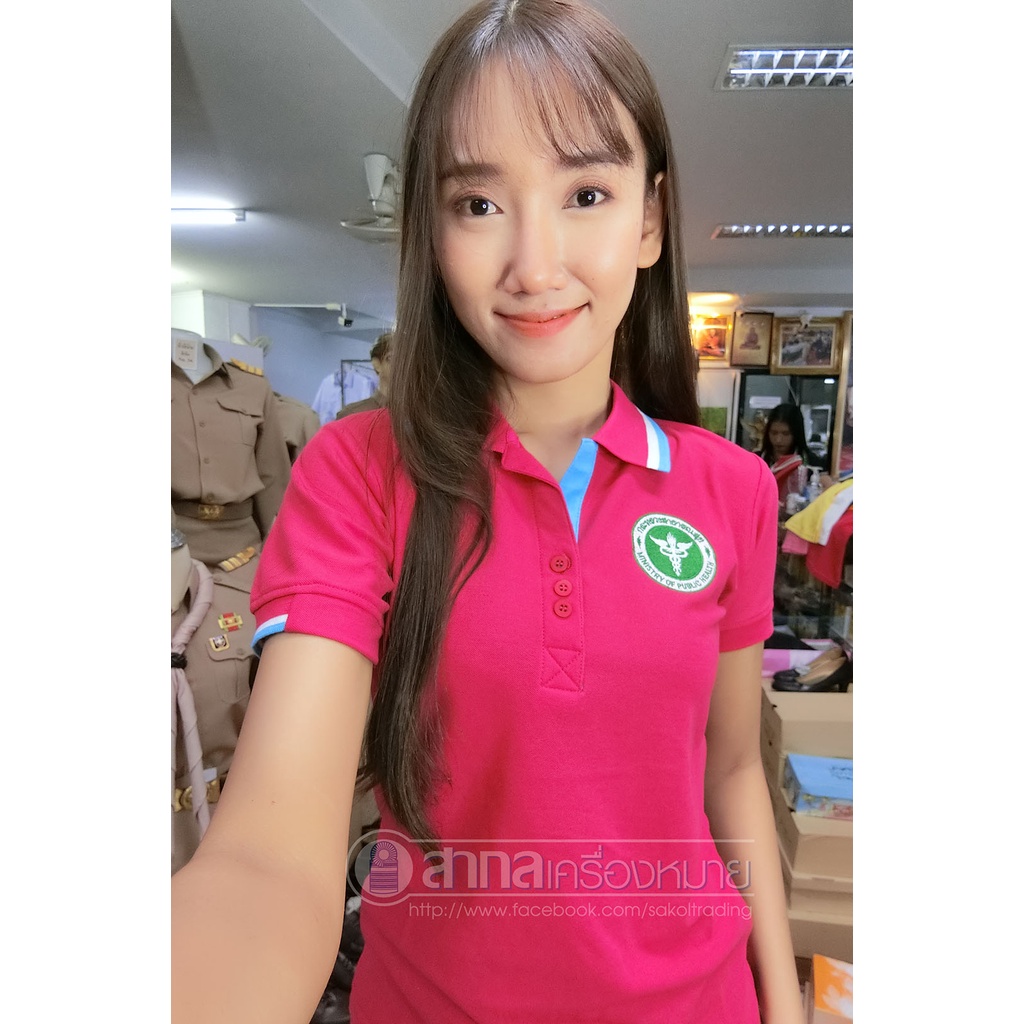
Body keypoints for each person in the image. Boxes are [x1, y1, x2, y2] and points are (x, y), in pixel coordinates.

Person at [171, 3, 804, 1022]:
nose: (535, 266)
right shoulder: (358, 472)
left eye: (587, 194)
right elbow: (266, 859)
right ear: (431, 229)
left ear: (648, 220)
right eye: (478, 204)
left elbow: (730, 768)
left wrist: (785, 1002)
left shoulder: (732, 487)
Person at [757, 402, 813, 507]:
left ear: (796, 434)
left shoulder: (812, 462)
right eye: (774, 433)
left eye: (786, 434)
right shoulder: (757, 460)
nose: (778, 440)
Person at [336, 332, 392, 419]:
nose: (402, 366)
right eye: (391, 358)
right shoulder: (353, 414)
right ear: (377, 364)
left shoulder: (412, 413)